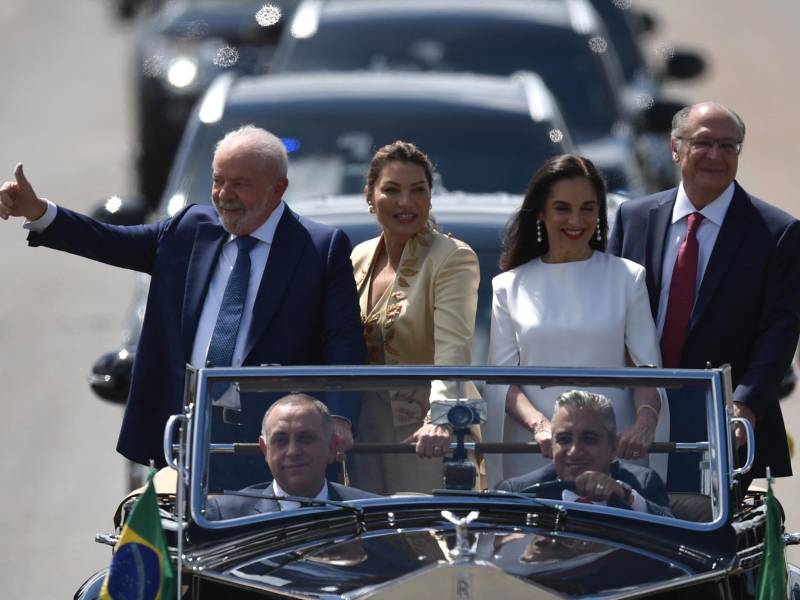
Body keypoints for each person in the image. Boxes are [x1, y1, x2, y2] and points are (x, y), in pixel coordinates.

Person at [0, 125, 365, 469]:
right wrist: (38, 211)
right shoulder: (189, 229)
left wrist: (339, 418)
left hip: (281, 446)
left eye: (240, 184)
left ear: (277, 188)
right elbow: (108, 240)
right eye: (218, 181)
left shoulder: (319, 249)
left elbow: (344, 344)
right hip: (186, 438)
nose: (225, 195)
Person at [608, 102, 800, 492]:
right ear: (675, 148)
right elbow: (608, 313)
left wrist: (745, 405)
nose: (716, 155)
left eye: (728, 146)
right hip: (632, 417)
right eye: (703, 143)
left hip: (718, 426)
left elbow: (781, 331)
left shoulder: (775, 232)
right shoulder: (634, 218)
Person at [486, 154, 667, 485]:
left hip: (612, 452)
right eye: (562, 208)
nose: (576, 220)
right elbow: (501, 382)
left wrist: (644, 423)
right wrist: (541, 426)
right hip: (536, 453)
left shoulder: (627, 278)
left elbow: (647, 372)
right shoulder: (508, 286)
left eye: (587, 208)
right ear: (541, 212)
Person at [348, 140, 481, 494]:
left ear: (430, 197)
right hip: (363, 433)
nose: (406, 202)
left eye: (418, 190)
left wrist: (441, 419)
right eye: (392, 190)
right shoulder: (359, 256)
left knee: (421, 526)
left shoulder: (453, 257)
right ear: (369, 196)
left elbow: (454, 349)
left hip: (424, 436)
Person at [495, 391, 672, 517]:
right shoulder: (517, 492)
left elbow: (672, 536)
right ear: (552, 445)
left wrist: (626, 496)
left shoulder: (642, 483)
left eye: (589, 439)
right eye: (564, 439)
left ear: (613, 447)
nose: (574, 451)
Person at [205, 394, 376, 519]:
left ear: (332, 446)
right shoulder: (225, 515)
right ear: (265, 450)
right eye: (280, 440)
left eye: (306, 438)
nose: (293, 451)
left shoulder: (373, 511)